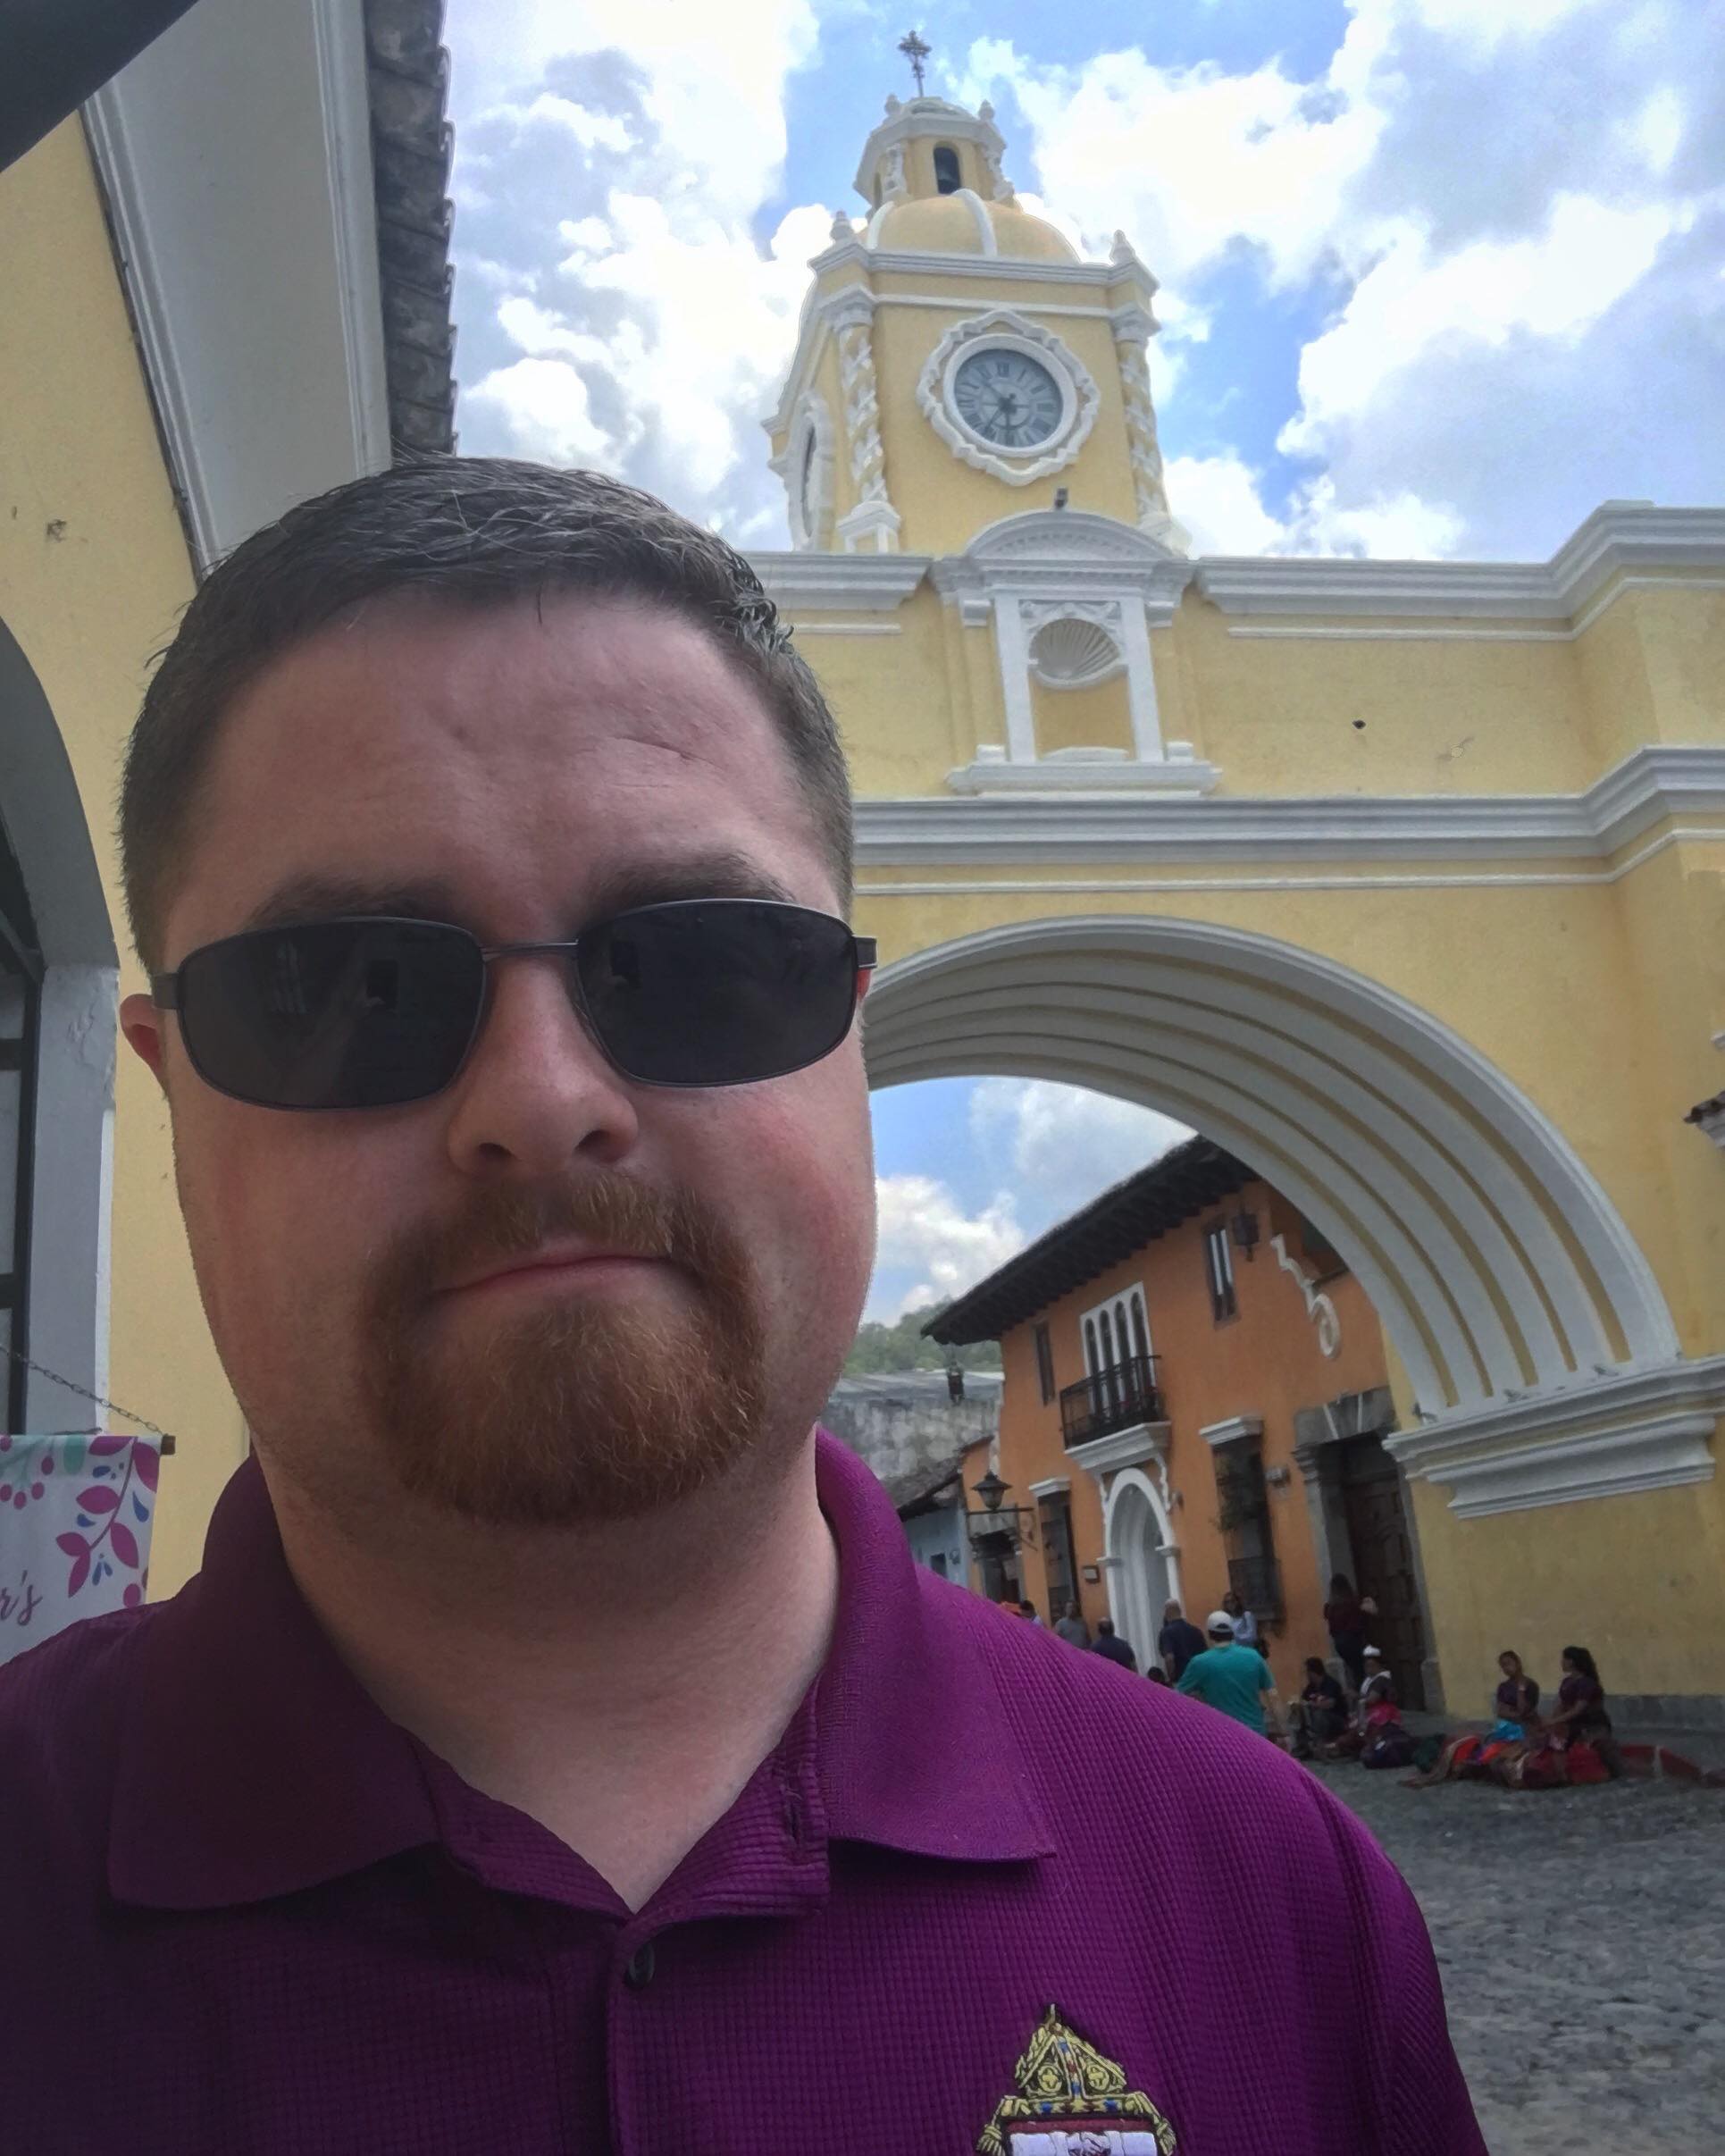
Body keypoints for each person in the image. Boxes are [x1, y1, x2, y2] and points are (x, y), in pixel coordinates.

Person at [0, 459, 1484, 2152]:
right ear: (169, 1089)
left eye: (700, 962)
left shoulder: (1275, 1896)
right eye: (351, 988)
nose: (542, 1098)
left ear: (851, 1033)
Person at [1407, 1649, 1540, 1787]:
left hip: (1524, 1728)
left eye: (1509, 1664)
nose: (1506, 1668)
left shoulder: (1530, 1685)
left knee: (1503, 1753)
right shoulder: (1503, 1687)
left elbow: (1524, 1711)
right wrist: (1513, 1713)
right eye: (1503, 1666)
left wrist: (1520, 1691)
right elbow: (1501, 1711)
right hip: (1506, 1727)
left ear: (1517, 1663)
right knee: (1473, 1744)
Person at [1176, 1610, 1282, 1741]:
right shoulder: (1253, 1657)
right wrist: (1283, 1731)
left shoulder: (1199, 1663)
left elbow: (1177, 1696)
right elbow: (1273, 1696)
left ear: (1209, 1634)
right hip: (1255, 1735)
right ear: (1232, 1632)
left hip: (1221, 1738)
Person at [1286, 1657, 1349, 1758]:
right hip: (1317, 1719)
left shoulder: (1331, 1684)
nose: (1306, 1675)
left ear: (1312, 1672)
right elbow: (1304, 1700)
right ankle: (1303, 1745)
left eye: (1307, 1672)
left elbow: (1329, 1704)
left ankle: (1321, 1745)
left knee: (1319, 1713)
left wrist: (1313, 1704)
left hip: (1337, 1718)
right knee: (1299, 1714)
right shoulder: (1311, 1687)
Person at [1324, 1573, 1373, 1694]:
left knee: (1352, 1670)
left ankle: (1356, 1695)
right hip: (1353, 1640)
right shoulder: (1352, 1604)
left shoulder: (1330, 1607)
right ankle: (1363, 1696)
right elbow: (1360, 1620)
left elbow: (1329, 1621)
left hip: (1339, 1643)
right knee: (1360, 1671)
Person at [1157, 1598, 1206, 1682]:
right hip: (1198, 1677)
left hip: (1181, 1678)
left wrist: (1171, 1678)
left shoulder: (1166, 1632)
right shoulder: (1196, 1631)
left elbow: (1169, 1658)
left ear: (1167, 1612)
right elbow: (1204, 1655)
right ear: (1180, 1611)